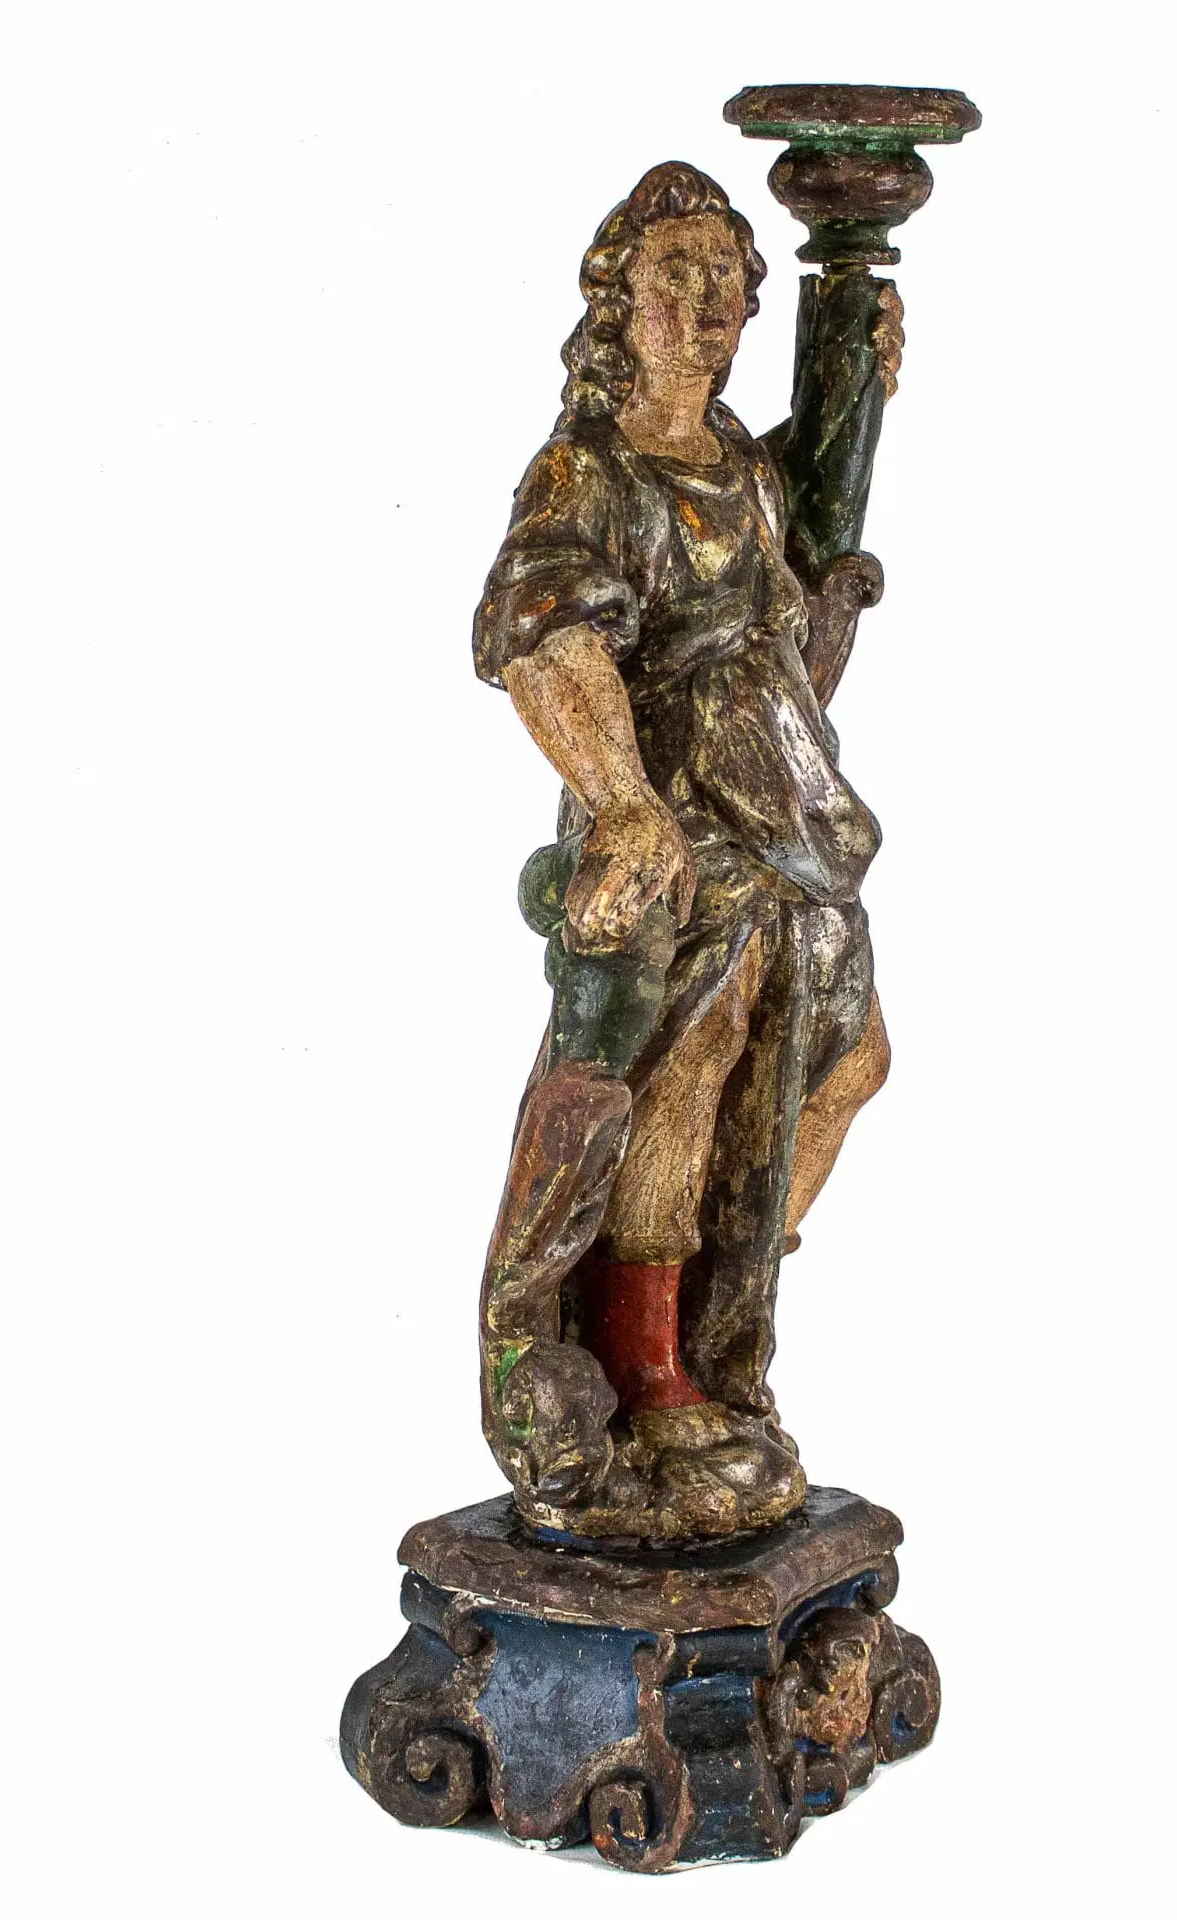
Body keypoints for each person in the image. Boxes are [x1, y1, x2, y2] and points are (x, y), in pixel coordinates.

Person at [471, 161, 903, 1541]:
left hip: (793, 815)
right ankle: (648, 1367)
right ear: (619, 303)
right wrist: (624, 803)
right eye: (678, 276)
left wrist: (858, 363)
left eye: (728, 277)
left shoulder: (742, 466)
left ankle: (722, 1312)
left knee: (845, 1063)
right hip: (679, 821)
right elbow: (543, 635)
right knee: (688, 1066)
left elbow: (799, 563)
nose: (709, 301)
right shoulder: (588, 472)